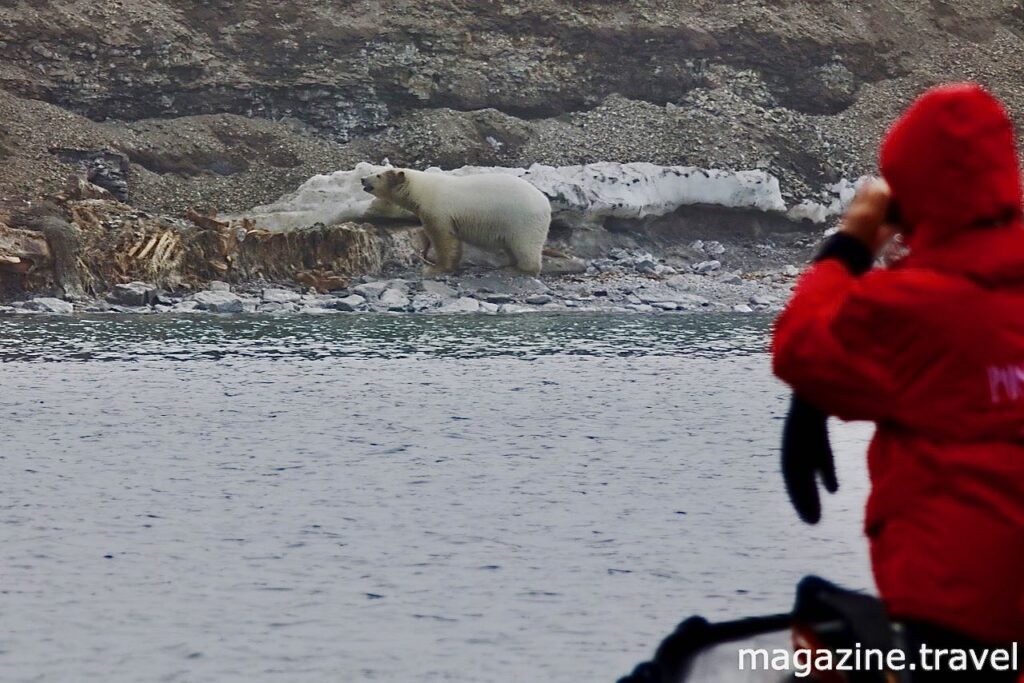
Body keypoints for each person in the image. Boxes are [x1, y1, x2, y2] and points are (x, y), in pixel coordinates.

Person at [772, 82, 1024, 680]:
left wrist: (847, 249)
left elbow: (801, 347)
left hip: (957, 603)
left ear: (909, 193)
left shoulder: (913, 307)